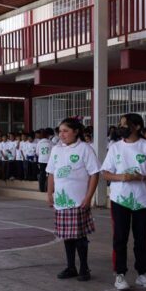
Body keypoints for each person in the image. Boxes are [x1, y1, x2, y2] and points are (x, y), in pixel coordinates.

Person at [100, 113, 146, 291]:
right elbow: (105, 172)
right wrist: (121, 177)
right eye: (120, 124)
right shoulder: (115, 147)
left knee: (141, 239)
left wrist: (141, 177)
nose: (121, 127)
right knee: (120, 237)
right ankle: (120, 274)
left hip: (143, 200)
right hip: (120, 199)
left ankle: (142, 273)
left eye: (125, 124)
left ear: (137, 127)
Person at [47, 118, 100, 282]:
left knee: (79, 236)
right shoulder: (56, 149)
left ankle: (84, 267)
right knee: (67, 236)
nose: (62, 134)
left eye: (65, 131)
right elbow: (51, 173)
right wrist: (50, 193)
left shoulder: (85, 149)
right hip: (61, 201)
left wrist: (89, 197)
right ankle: (71, 267)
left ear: (76, 131)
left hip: (78, 200)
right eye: (60, 131)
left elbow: (94, 174)